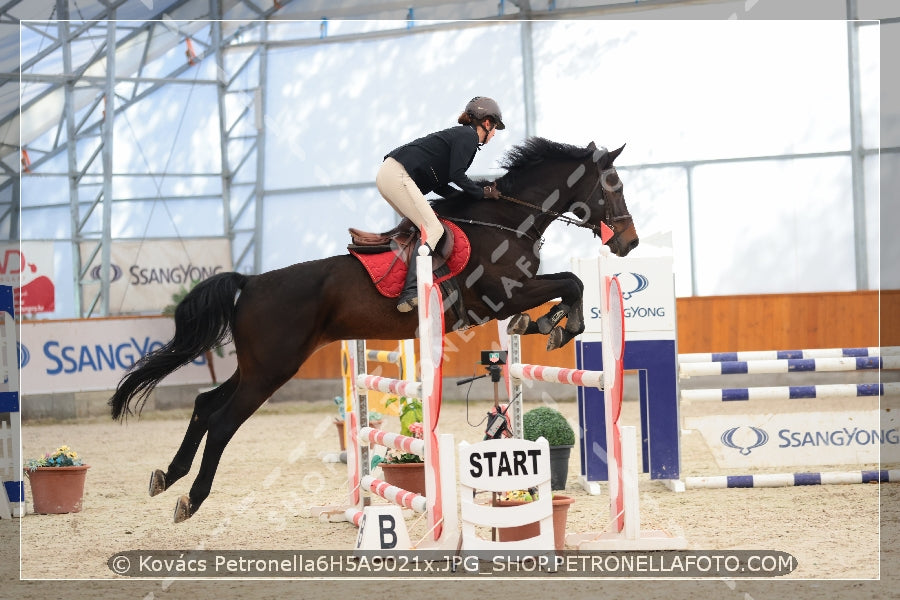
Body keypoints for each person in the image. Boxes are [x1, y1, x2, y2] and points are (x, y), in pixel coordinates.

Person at [377, 96, 505, 312]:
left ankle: (400, 276)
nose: (493, 134)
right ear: (486, 122)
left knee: (422, 228)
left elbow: (442, 185)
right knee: (433, 229)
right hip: (397, 175)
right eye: (495, 129)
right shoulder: (468, 137)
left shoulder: (461, 136)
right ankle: (410, 290)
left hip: (390, 174)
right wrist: (482, 192)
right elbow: (457, 174)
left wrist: (467, 198)